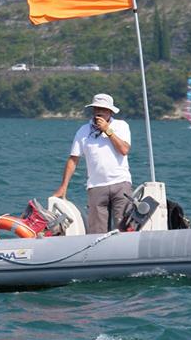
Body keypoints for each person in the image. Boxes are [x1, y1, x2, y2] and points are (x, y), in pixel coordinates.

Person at [52, 93, 132, 234]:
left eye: (103, 109)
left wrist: (108, 130)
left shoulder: (121, 126)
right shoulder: (83, 131)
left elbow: (124, 150)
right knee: (97, 232)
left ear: (110, 112)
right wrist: (63, 186)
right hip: (96, 186)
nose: (99, 113)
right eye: (96, 109)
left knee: (124, 228)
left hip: (121, 184)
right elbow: (73, 159)